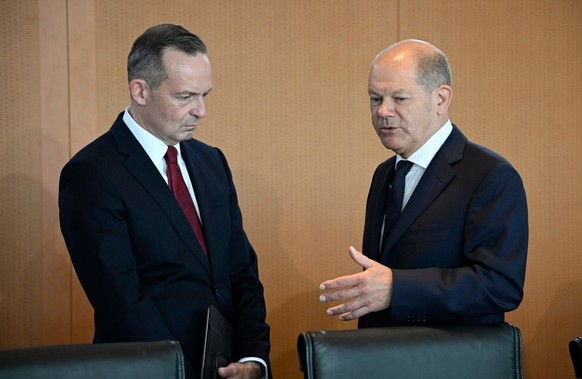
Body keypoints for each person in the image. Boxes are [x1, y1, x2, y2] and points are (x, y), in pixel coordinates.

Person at [59, 24, 270, 379]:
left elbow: (241, 271)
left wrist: (253, 358)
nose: (200, 110)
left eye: (205, 95)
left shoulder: (211, 161)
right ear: (140, 91)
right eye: (185, 97)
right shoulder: (91, 173)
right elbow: (122, 302)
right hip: (150, 370)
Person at [319, 39, 528, 328]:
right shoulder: (384, 174)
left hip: (448, 361)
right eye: (375, 99)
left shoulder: (490, 175)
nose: (383, 112)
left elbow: (500, 286)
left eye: (399, 98)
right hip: (380, 357)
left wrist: (398, 288)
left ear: (441, 99)